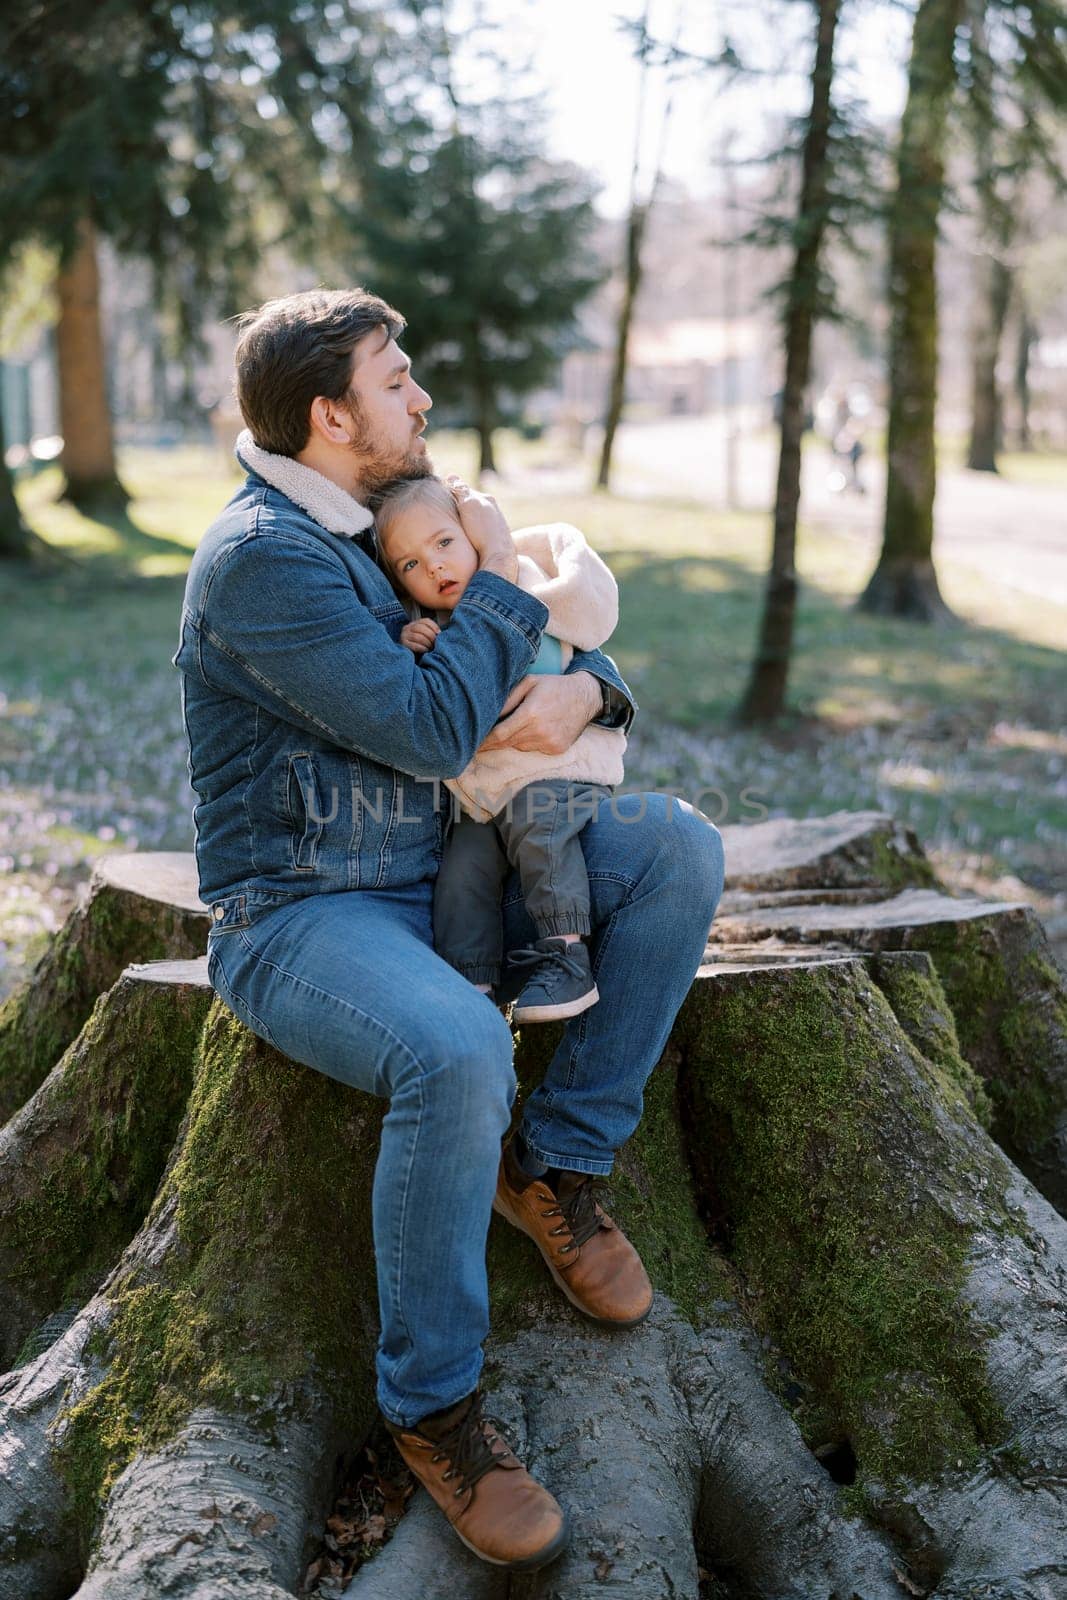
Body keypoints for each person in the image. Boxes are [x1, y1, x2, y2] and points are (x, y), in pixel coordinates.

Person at [174, 288, 725, 1572]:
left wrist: (596, 682)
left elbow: (517, 664)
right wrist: (515, 604)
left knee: (678, 852)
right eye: (395, 378)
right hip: (305, 910)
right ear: (327, 414)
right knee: (456, 1048)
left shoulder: (370, 517)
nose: (419, 398)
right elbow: (434, 722)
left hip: (451, 860)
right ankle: (433, 1407)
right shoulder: (262, 557)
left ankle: (554, 1166)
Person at [373, 474, 625, 1023]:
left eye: (443, 543)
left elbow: (539, 663)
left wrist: (463, 640)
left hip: (548, 770)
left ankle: (567, 955)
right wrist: (414, 649)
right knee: (462, 868)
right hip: (484, 793)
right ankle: (472, 985)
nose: (435, 567)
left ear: (476, 535)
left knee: (541, 829)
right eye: (410, 564)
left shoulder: (521, 583)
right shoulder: (427, 621)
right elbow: (429, 704)